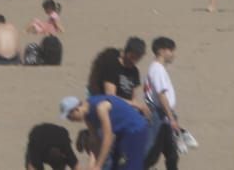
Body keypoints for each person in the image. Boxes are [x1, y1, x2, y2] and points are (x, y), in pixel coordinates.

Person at [64, 88, 152, 170]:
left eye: (70, 117)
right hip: (121, 132)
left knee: (132, 166)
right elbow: (95, 140)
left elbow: (108, 138)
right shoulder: (87, 116)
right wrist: (91, 164)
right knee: (114, 164)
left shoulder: (100, 108)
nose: (71, 121)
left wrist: (98, 166)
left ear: (76, 109)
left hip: (136, 129)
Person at [144, 37, 181, 170]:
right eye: (170, 50)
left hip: (162, 116)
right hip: (159, 116)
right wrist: (171, 118)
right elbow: (161, 95)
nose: (173, 54)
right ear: (161, 51)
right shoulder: (157, 69)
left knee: (171, 154)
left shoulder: (156, 68)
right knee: (151, 154)